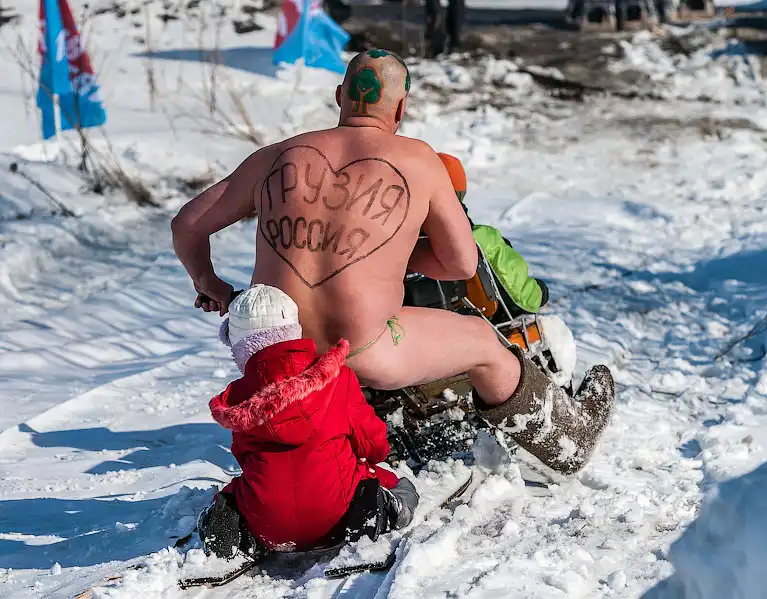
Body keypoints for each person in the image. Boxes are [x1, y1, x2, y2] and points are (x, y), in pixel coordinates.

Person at [171, 48, 615, 476]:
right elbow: (461, 263)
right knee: (483, 342)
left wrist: (209, 283)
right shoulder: (419, 160)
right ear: (401, 107)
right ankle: (568, 441)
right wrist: (391, 253)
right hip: (362, 347)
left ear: (340, 96)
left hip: (277, 351)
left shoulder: (275, 156)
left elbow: (187, 224)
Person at [199, 284, 419, 558]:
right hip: (338, 515)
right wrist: (375, 456)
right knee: (399, 486)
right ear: (294, 330)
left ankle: (229, 530)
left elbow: (245, 457)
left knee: (234, 496)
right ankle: (373, 514)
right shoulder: (338, 378)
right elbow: (370, 441)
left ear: (240, 346)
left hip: (267, 525)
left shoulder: (239, 397)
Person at [436, 152, 549, 322]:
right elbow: (523, 299)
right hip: (476, 326)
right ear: (460, 192)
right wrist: (541, 292)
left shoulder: (401, 239)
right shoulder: (481, 239)